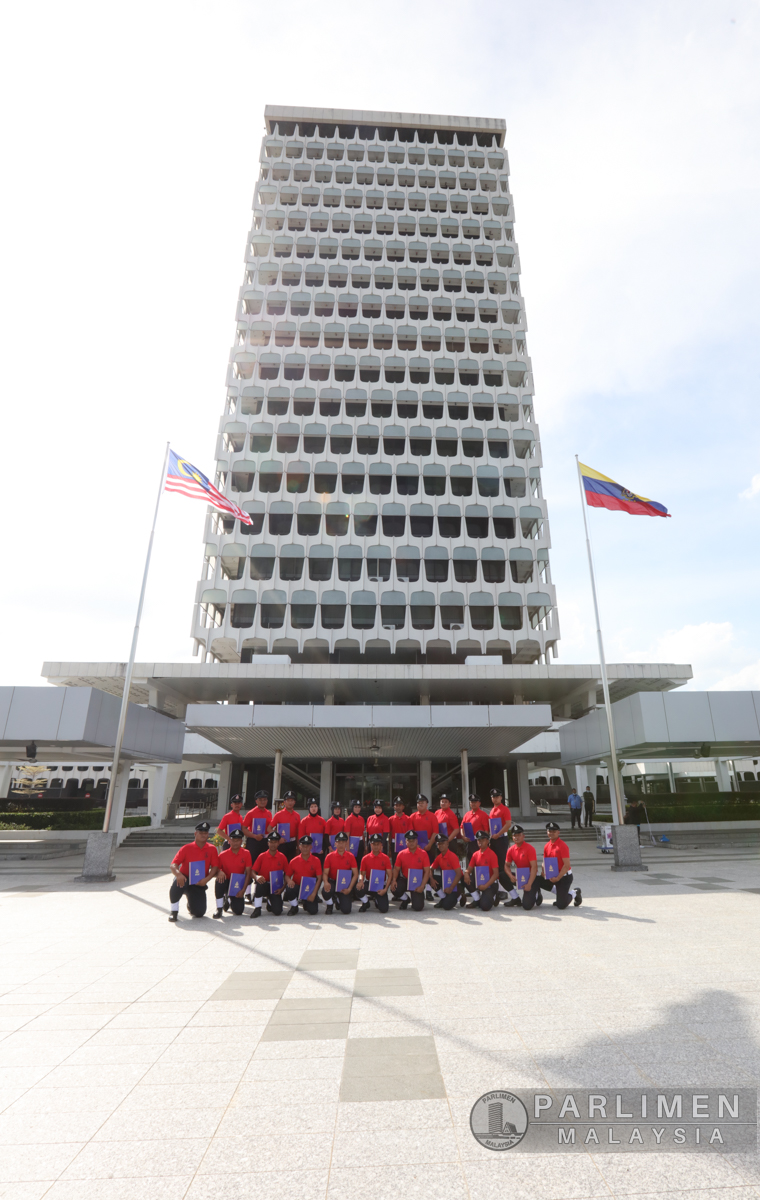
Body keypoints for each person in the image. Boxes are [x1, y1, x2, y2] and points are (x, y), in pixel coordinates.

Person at [168, 821, 218, 921]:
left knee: (199, 913)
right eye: (201, 833)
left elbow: (215, 867)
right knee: (177, 885)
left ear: (208, 834)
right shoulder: (186, 848)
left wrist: (206, 880)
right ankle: (174, 912)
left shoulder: (212, 849)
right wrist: (178, 874)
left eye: (205, 833)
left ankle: (190, 901)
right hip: (184, 878)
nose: (203, 835)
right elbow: (173, 864)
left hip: (199, 881)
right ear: (195, 834)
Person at [536, 821, 582, 909]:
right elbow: (544, 861)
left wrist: (558, 878)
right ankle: (540, 897)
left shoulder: (562, 846)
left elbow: (566, 865)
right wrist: (543, 872)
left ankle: (575, 892)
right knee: (536, 879)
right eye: (549, 831)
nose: (551, 833)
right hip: (552, 875)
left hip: (564, 877)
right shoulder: (547, 846)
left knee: (561, 905)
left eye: (554, 831)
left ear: (558, 832)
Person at [213, 828, 252, 918]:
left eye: (237, 840)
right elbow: (215, 869)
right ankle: (219, 908)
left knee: (238, 911)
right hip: (225, 881)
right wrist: (219, 872)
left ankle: (228, 900)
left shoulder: (246, 853)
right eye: (233, 840)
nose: (235, 843)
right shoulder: (223, 854)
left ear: (241, 841)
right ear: (229, 841)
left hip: (237, 884)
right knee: (219, 881)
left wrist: (243, 890)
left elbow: (248, 873)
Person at [250, 831, 289, 917]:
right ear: (268, 843)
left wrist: (282, 888)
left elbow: (287, 874)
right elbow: (252, 871)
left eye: (275, 842)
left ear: (278, 843)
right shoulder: (262, 856)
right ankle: (257, 908)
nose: (273, 844)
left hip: (275, 887)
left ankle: (269, 901)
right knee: (260, 884)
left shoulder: (282, 857)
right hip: (264, 883)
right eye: (271, 842)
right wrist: (256, 876)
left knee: (278, 911)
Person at [390, 829, 431, 911]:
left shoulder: (423, 854)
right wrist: (394, 880)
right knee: (394, 888)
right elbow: (396, 869)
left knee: (418, 907)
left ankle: (416, 898)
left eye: (413, 841)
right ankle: (406, 899)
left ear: (417, 841)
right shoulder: (401, 854)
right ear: (406, 842)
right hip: (405, 879)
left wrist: (422, 886)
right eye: (409, 841)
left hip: (418, 882)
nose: (411, 843)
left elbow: (427, 871)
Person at [504, 824, 543, 910]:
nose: (516, 837)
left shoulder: (530, 849)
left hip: (532, 877)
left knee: (527, 906)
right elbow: (506, 866)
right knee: (502, 875)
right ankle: (515, 897)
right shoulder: (511, 850)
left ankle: (536, 891)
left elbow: (534, 867)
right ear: (512, 837)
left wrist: (529, 883)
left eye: (519, 835)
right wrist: (511, 876)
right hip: (520, 876)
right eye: (514, 835)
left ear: (523, 836)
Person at [242, 789, 273, 897]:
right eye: (260, 800)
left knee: (263, 866)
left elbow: (270, 828)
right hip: (253, 841)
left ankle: (260, 891)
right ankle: (247, 892)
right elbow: (244, 829)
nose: (263, 802)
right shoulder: (251, 813)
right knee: (250, 866)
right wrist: (254, 836)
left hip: (265, 841)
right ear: (256, 801)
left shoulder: (269, 813)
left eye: (264, 800)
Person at [283, 834, 323, 916]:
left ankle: (305, 902)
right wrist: (289, 880)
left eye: (307, 846)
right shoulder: (293, 861)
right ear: (300, 847)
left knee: (313, 911)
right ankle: (294, 906)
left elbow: (319, 878)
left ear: (311, 847)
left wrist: (314, 894)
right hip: (297, 886)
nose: (305, 848)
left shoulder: (316, 860)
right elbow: (287, 875)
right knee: (289, 888)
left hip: (309, 889)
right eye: (303, 846)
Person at [462, 829, 500, 911]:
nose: (480, 842)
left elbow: (496, 874)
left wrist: (486, 886)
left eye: (482, 840)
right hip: (479, 881)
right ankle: (477, 899)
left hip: (490, 883)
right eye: (478, 840)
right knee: (464, 878)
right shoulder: (475, 854)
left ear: (487, 841)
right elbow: (469, 869)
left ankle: (494, 896)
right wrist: (466, 873)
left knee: (485, 907)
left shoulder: (492, 854)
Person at [322, 831, 358, 915]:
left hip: (344, 884)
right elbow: (325, 873)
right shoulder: (329, 856)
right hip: (333, 881)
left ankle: (337, 899)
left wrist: (349, 889)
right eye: (339, 842)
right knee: (326, 891)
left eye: (343, 842)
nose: (341, 845)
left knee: (346, 910)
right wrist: (326, 882)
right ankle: (330, 905)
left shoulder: (351, 856)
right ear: (335, 844)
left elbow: (356, 874)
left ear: (346, 843)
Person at [355, 833, 392, 913]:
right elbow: (362, 873)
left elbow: (390, 875)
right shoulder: (365, 858)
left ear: (381, 845)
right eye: (374, 844)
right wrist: (361, 881)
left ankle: (377, 898)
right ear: (370, 845)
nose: (375, 846)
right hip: (369, 884)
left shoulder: (385, 858)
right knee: (357, 888)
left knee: (384, 909)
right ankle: (366, 902)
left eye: (377, 844)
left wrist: (385, 889)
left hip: (381, 885)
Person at [488, 786, 512, 893]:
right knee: (494, 863)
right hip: (494, 839)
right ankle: (496, 886)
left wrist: (498, 834)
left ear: (501, 797)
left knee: (501, 864)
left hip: (501, 839)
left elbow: (508, 824)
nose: (495, 799)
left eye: (497, 797)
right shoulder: (492, 810)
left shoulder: (504, 809)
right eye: (493, 797)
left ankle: (504, 889)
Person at [429, 832, 462, 910]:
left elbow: (459, 874)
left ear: (447, 844)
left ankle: (460, 895)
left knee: (447, 907)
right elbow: (430, 869)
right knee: (428, 877)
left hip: (456, 883)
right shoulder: (439, 857)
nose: (440, 846)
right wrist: (431, 879)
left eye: (443, 843)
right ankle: (443, 897)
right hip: (446, 881)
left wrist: (451, 888)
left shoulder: (452, 856)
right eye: (439, 844)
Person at [459, 793, 490, 862]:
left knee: (479, 861)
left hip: (478, 842)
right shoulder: (467, 814)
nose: (473, 804)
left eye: (475, 802)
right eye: (472, 802)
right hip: (468, 842)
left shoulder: (483, 815)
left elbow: (486, 830)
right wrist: (463, 836)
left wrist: (485, 842)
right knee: (470, 861)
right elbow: (461, 827)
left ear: (479, 803)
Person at [272, 790, 301, 861]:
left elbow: (297, 832)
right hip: (282, 843)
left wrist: (298, 846)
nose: (290, 802)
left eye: (292, 800)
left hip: (292, 843)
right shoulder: (278, 814)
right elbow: (269, 828)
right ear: (284, 802)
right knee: (280, 863)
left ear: (294, 802)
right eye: (288, 800)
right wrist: (278, 838)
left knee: (291, 864)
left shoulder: (297, 815)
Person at [389, 795, 411, 861]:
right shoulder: (390, 819)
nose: (398, 807)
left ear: (403, 807)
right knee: (395, 863)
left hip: (405, 844)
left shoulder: (408, 819)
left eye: (400, 805)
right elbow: (389, 834)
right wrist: (389, 847)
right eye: (396, 805)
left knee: (405, 863)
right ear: (394, 807)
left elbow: (409, 833)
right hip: (394, 844)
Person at [344, 798, 366, 864]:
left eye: (359, 807)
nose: (357, 809)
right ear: (352, 808)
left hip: (360, 842)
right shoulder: (349, 819)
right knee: (351, 863)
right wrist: (347, 849)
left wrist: (364, 846)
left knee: (359, 862)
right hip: (352, 843)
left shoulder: (362, 819)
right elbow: (347, 835)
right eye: (355, 807)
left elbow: (362, 833)